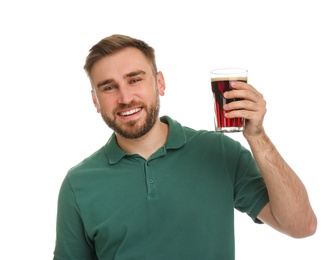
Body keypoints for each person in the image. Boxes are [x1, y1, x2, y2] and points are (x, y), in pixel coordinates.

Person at [53, 34, 317, 260]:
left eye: (135, 80)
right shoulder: (79, 184)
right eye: (109, 87)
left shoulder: (219, 152)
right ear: (95, 101)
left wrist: (257, 135)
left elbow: (301, 226)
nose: (125, 98)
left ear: (160, 83)